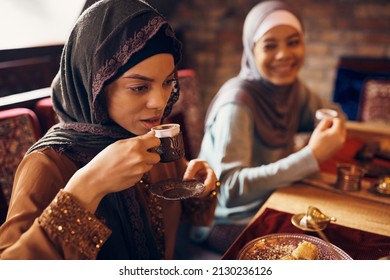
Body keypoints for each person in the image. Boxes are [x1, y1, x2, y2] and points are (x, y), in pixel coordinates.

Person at [0, 0, 218, 260]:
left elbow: (188, 213)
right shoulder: (49, 164)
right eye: (139, 87)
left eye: (168, 82)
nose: (160, 103)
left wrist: (202, 185)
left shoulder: (152, 138)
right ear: (95, 85)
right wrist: (88, 187)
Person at [195, 0, 346, 253]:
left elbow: (334, 114)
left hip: (275, 201)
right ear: (251, 51)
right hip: (227, 220)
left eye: (293, 42)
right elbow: (229, 190)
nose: (284, 54)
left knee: (335, 231)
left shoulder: (291, 90)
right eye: (270, 45)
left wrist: (329, 123)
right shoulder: (237, 104)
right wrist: (311, 155)